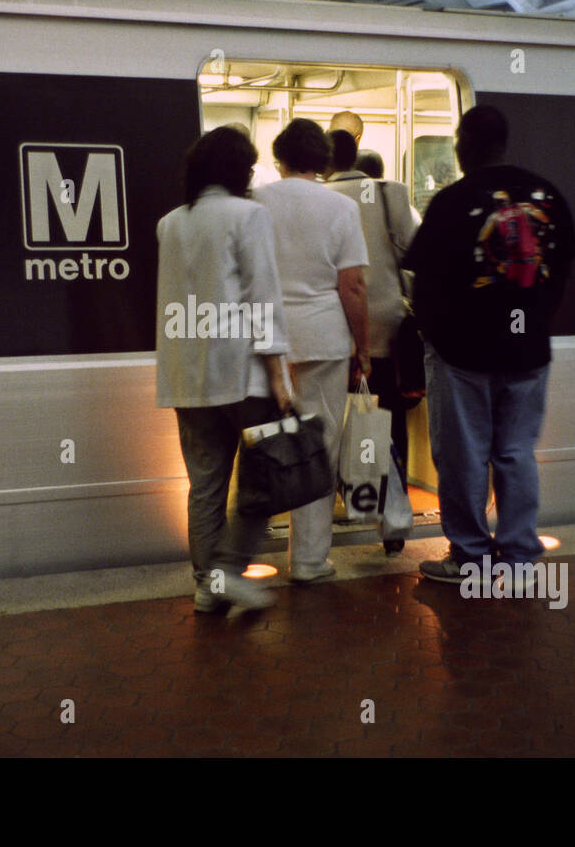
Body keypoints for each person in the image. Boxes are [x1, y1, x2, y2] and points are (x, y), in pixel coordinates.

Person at [404, 105, 575, 588]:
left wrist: (432, 336)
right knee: (516, 452)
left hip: (463, 354)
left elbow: (425, 282)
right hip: (527, 353)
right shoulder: (546, 194)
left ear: (464, 144)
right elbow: (563, 271)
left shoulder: (453, 200)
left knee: (463, 456)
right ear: (504, 142)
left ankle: (471, 557)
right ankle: (521, 558)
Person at [157, 126, 294, 613]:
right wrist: (279, 375)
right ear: (239, 171)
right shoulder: (249, 215)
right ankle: (227, 573)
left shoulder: (171, 223)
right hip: (242, 373)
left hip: (186, 374)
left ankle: (205, 586)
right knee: (260, 484)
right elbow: (264, 296)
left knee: (206, 484)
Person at [254, 118, 369, 583]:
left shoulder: (254, 204)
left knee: (269, 442)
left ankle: (251, 537)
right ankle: (308, 560)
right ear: (322, 161)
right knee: (319, 445)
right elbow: (354, 286)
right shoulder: (340, 207)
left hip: (269, 341)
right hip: (324, 338)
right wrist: (364, 347)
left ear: (278, 157)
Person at [324, 129, 422, 539]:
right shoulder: (389, 194)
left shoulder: (318, 198)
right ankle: (392, 521)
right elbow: (415, 256)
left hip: (331, 328)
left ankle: (334, 506)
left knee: (333, 421)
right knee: (386, 420)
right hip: (384, 329)